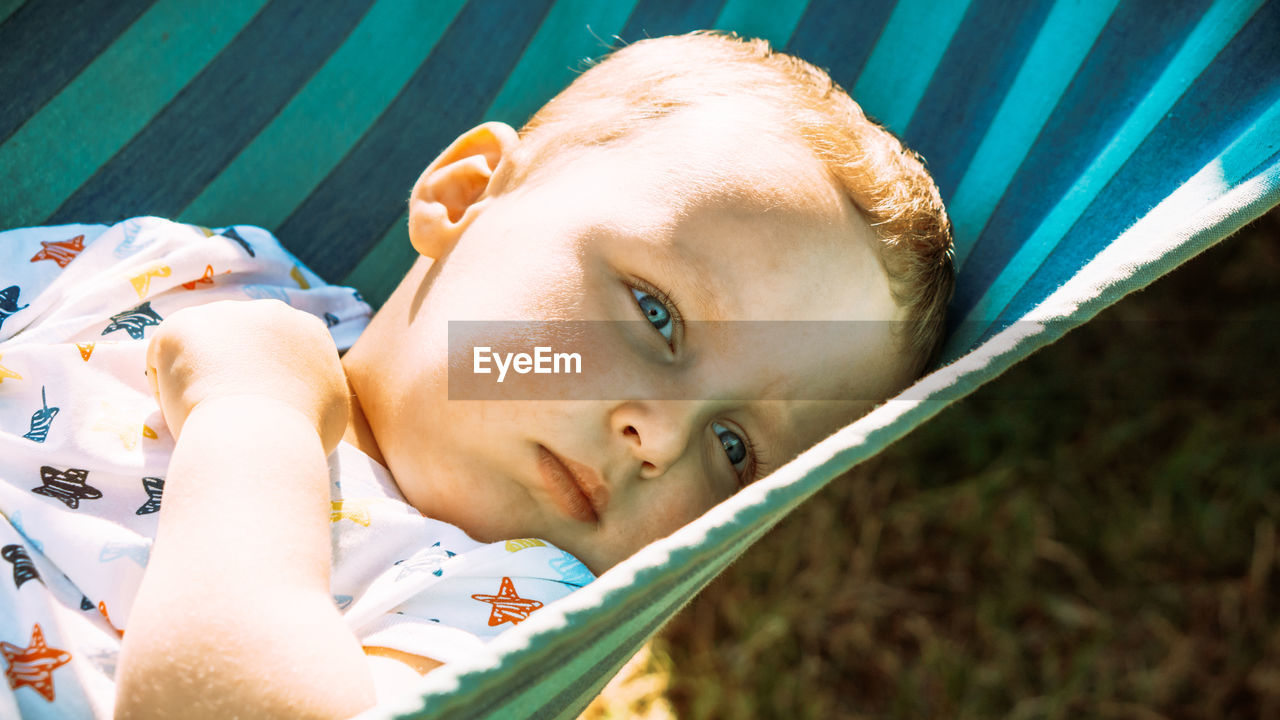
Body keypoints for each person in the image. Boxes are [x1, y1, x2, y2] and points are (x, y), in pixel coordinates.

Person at [0, 32, 953, 719]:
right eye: (656, 314)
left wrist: (256, 416)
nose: (659, 436)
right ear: (464, 197)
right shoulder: (205, 274)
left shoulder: (504, 605)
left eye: (735, 447)